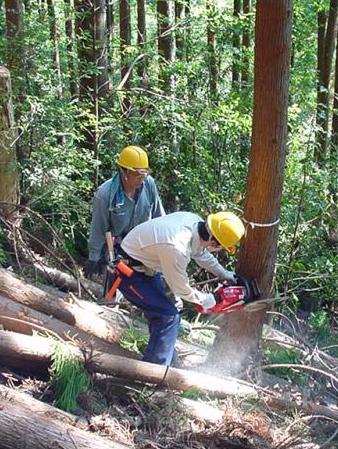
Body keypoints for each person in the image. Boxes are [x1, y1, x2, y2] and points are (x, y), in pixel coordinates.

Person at [115, 211, 245, 366]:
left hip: (146, 267)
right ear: (214, 243)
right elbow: (180, 289)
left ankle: (168, 360)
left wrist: (225, 274)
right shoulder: (177, 247)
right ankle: (153, 373)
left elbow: (201, 254)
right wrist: (207, 300)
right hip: (128, 273)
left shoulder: (194, 222)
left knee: (163, 314)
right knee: (168, 316)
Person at [85, 146, 165, 282]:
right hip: (117, 253)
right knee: (113, 296)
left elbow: (159, 217)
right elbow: (98, 229)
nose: (141, 179)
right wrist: (94, 259)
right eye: (136, 175)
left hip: (144, 250)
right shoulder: (105, 195)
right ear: (123, 171)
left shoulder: (149, 184)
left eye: (144, 174)